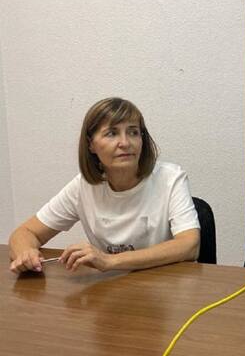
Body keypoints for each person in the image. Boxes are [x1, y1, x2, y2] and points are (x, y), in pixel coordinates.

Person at [9, 97, 200, 274]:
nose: (125, 142)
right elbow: (25, 232)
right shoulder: (83, 186)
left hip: (165, 288)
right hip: (110, 288)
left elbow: (189, 245)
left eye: (133, 132)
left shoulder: (170, 178)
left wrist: (110, 261)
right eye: (112, 133)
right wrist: (26, 254)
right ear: (91, 144)